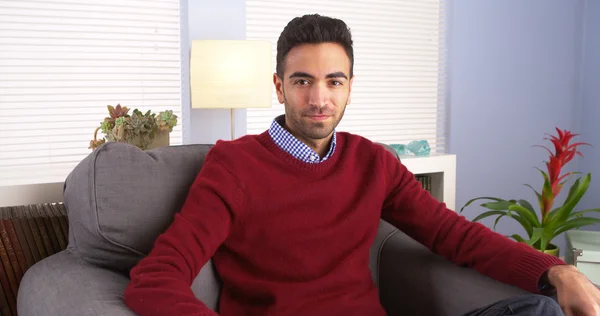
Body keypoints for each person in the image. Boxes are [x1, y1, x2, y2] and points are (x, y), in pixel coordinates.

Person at [124, 14, 600, 316]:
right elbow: (158, 276)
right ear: (278, 86)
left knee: (539, 310)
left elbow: (454, 234)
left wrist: (558, 271)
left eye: (333, 82)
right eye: (303, 81)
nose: (318, 98)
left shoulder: (373, 162)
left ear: (350, 86)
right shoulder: (234, 165)